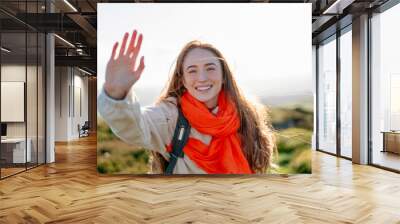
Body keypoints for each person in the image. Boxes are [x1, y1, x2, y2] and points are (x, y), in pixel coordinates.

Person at [98, 30, 276, 174]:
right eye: (192, 70)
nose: (202, 78)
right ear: (182, 80)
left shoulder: (245, 113)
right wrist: (116, 95)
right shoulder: (170, 116)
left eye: (210, 68)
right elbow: (134, 128)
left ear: (224, 76)